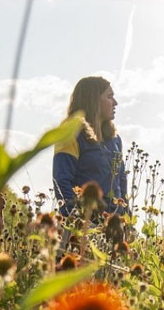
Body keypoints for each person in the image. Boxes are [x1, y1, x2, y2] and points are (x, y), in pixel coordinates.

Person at [52, 76, 129, 218]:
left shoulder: (115, 140)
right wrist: (75, 218)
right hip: (85, 224)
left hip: (114, 223)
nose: (115, 103)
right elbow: (62, 181)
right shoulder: (71, 134)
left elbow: (121, 182)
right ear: (93, 101)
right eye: (110, 97)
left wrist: (126, 218)